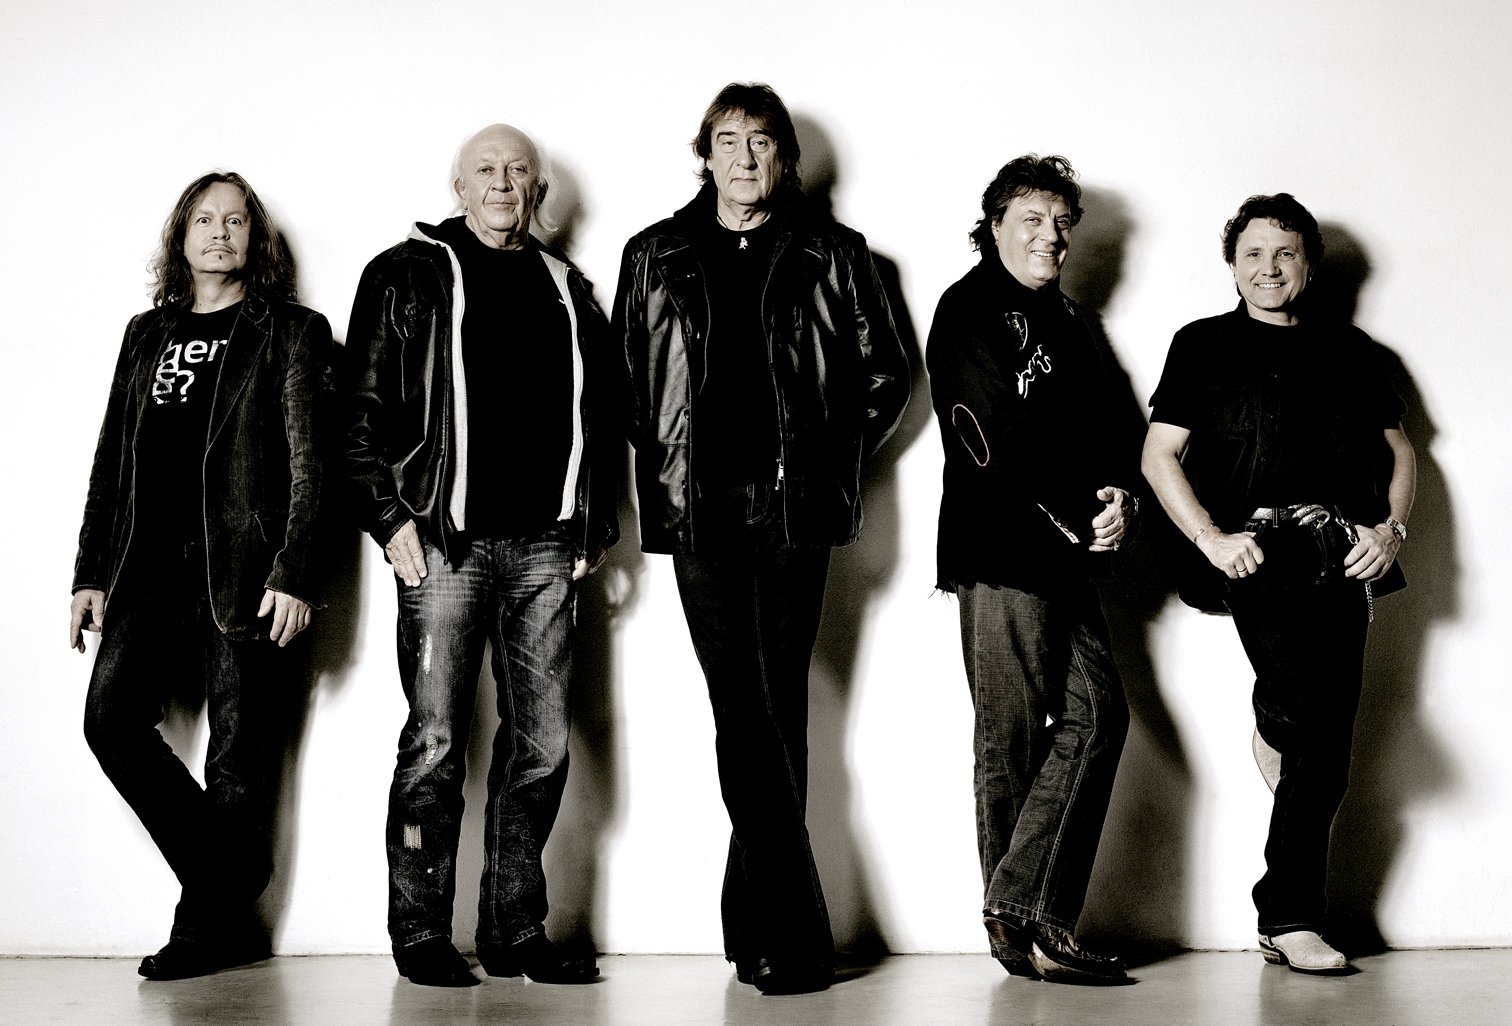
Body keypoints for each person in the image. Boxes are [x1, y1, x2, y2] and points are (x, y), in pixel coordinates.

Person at [612, 82, 909, 995]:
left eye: (763, 142)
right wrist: (667, 463)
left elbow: (887, 375)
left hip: (791, 514)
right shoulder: (655, 252)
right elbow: (627, 385)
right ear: (705, 155)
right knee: (740, 709)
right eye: (729, 141)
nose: (745, 158)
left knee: (777, 708)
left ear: (786, 158)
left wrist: (823, 458)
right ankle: (783, 929)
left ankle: (766, 930)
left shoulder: (835, 253)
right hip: (697, 511)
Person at [343, 124, 617, 988]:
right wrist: (389, 520)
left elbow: (604, 416)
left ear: (538, 190)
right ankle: (421, 931)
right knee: (434, 743)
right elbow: (357, 412)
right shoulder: (404, 275)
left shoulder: (567, 286)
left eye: (518, 171)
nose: (503, 183)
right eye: (486, 170)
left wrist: (592, 523)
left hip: (545, 548)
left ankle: (513, 929)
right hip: (443, 547)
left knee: (542, 746)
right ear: (459, 187)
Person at [1141, 193, 1416, 974]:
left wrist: (1390, 532)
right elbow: (1158, 455)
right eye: (1254, 253)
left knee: (1329, 741)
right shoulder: (1201, 344)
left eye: (1286, 252)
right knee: (1310, 710)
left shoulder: (1353, 351)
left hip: (1341, 547)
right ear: (1232, 265)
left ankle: (1287, 919)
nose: (1269, 267)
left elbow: (1401, 453)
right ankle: (1279, 736)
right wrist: (1209, 537)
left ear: (1310, 265)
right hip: (1255, 551)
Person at [70, 171, 333, 980]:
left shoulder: (290, 330)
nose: (221, 233)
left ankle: (203, 930)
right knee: (109, 723)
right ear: (180, 236)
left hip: (244, 571)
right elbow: (112, 461)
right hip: (144, 568)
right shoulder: (145, 334)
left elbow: (311, 464)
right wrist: (88, 572)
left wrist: (295, 572)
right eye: (205, 219)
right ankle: (232, 877)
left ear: (256, 239)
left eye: (237, 221)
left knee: (237, 757)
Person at [926, 154, 1135, 984]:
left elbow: (1113, 425)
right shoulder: (967, 308)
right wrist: (1084, 516)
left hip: (1066, 556)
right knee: (1009, 739)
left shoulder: (1071, 320)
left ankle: (1024, 908)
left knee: (1099, 715)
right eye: (1032, 219)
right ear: (995, 227)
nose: (1051, 236)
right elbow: (991, 441)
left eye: (1062, 222)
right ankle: (1025, 933)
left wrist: (1119, 497)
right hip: (1001, 553)